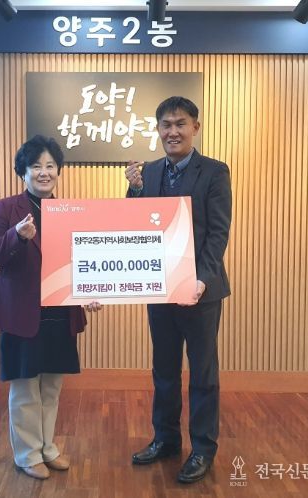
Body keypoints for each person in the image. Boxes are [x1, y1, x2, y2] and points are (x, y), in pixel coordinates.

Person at [0, 135, 100, 480]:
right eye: (36, 166)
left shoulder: (68, 211)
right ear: (23, 172)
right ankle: (27, 454)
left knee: (51, 387)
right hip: (22, 315)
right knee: (25, 389)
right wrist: (16, 235)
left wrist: (90, 291)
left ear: (58, 171)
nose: (44, 172)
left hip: (59, 313)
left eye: (50, 166)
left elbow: (81, 261)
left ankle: (47, 448)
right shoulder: (7, 208)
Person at [125, 96, 231, 484]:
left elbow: (218, 232)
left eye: (180, 124)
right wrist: (134, 190)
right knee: (164, 370)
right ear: (158, 130)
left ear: (195, 128)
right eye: (166, 125)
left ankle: (203, 448)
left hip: (201, 291)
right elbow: (135, 224)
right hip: (161, 287)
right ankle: (166, 439)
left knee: (202, 373)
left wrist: (202, 278)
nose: (173, 131)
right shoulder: (150, 171)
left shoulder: (215, 171)